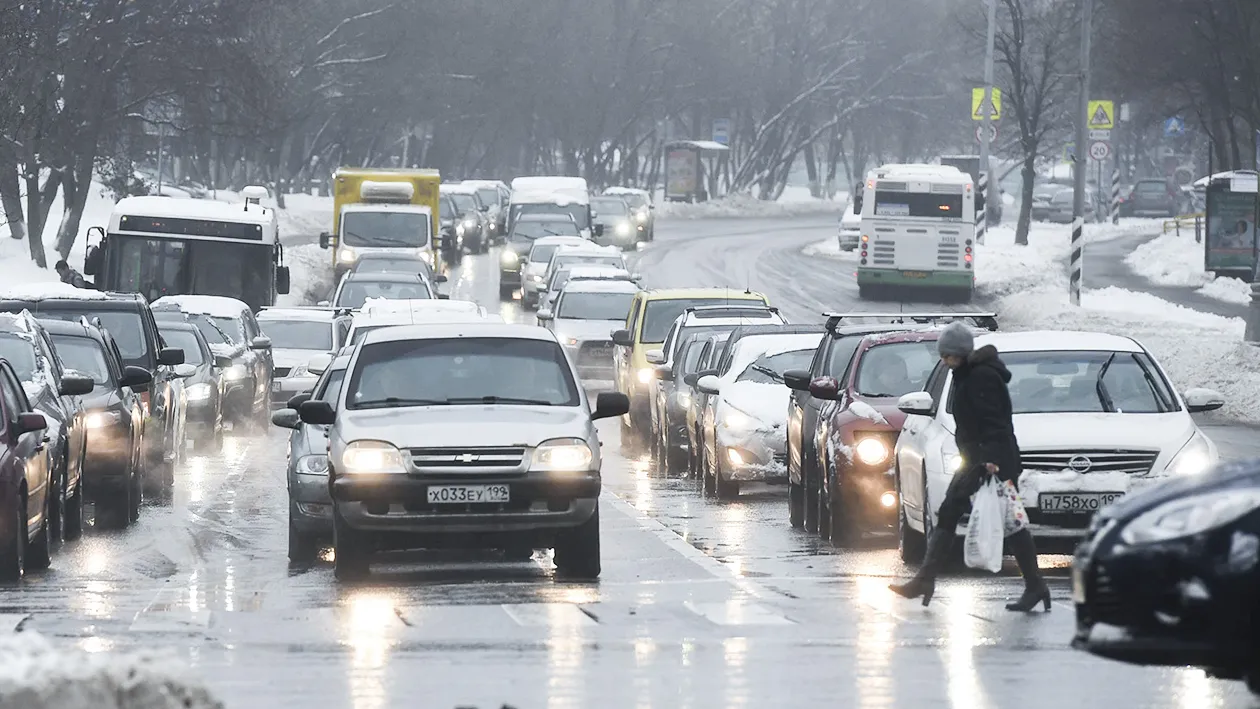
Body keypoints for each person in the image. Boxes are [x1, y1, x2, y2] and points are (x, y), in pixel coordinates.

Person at [889, 322, 1049, 612]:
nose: (944, 360)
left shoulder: (982, 377)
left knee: (1010, 522)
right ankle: (926, 579)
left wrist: (991, 460)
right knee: (956, 513)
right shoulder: (966, 374)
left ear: (960, 354)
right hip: (978, 459)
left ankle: (1035, 585)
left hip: (991, 461)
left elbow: (994, 422)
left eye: (947, 355)